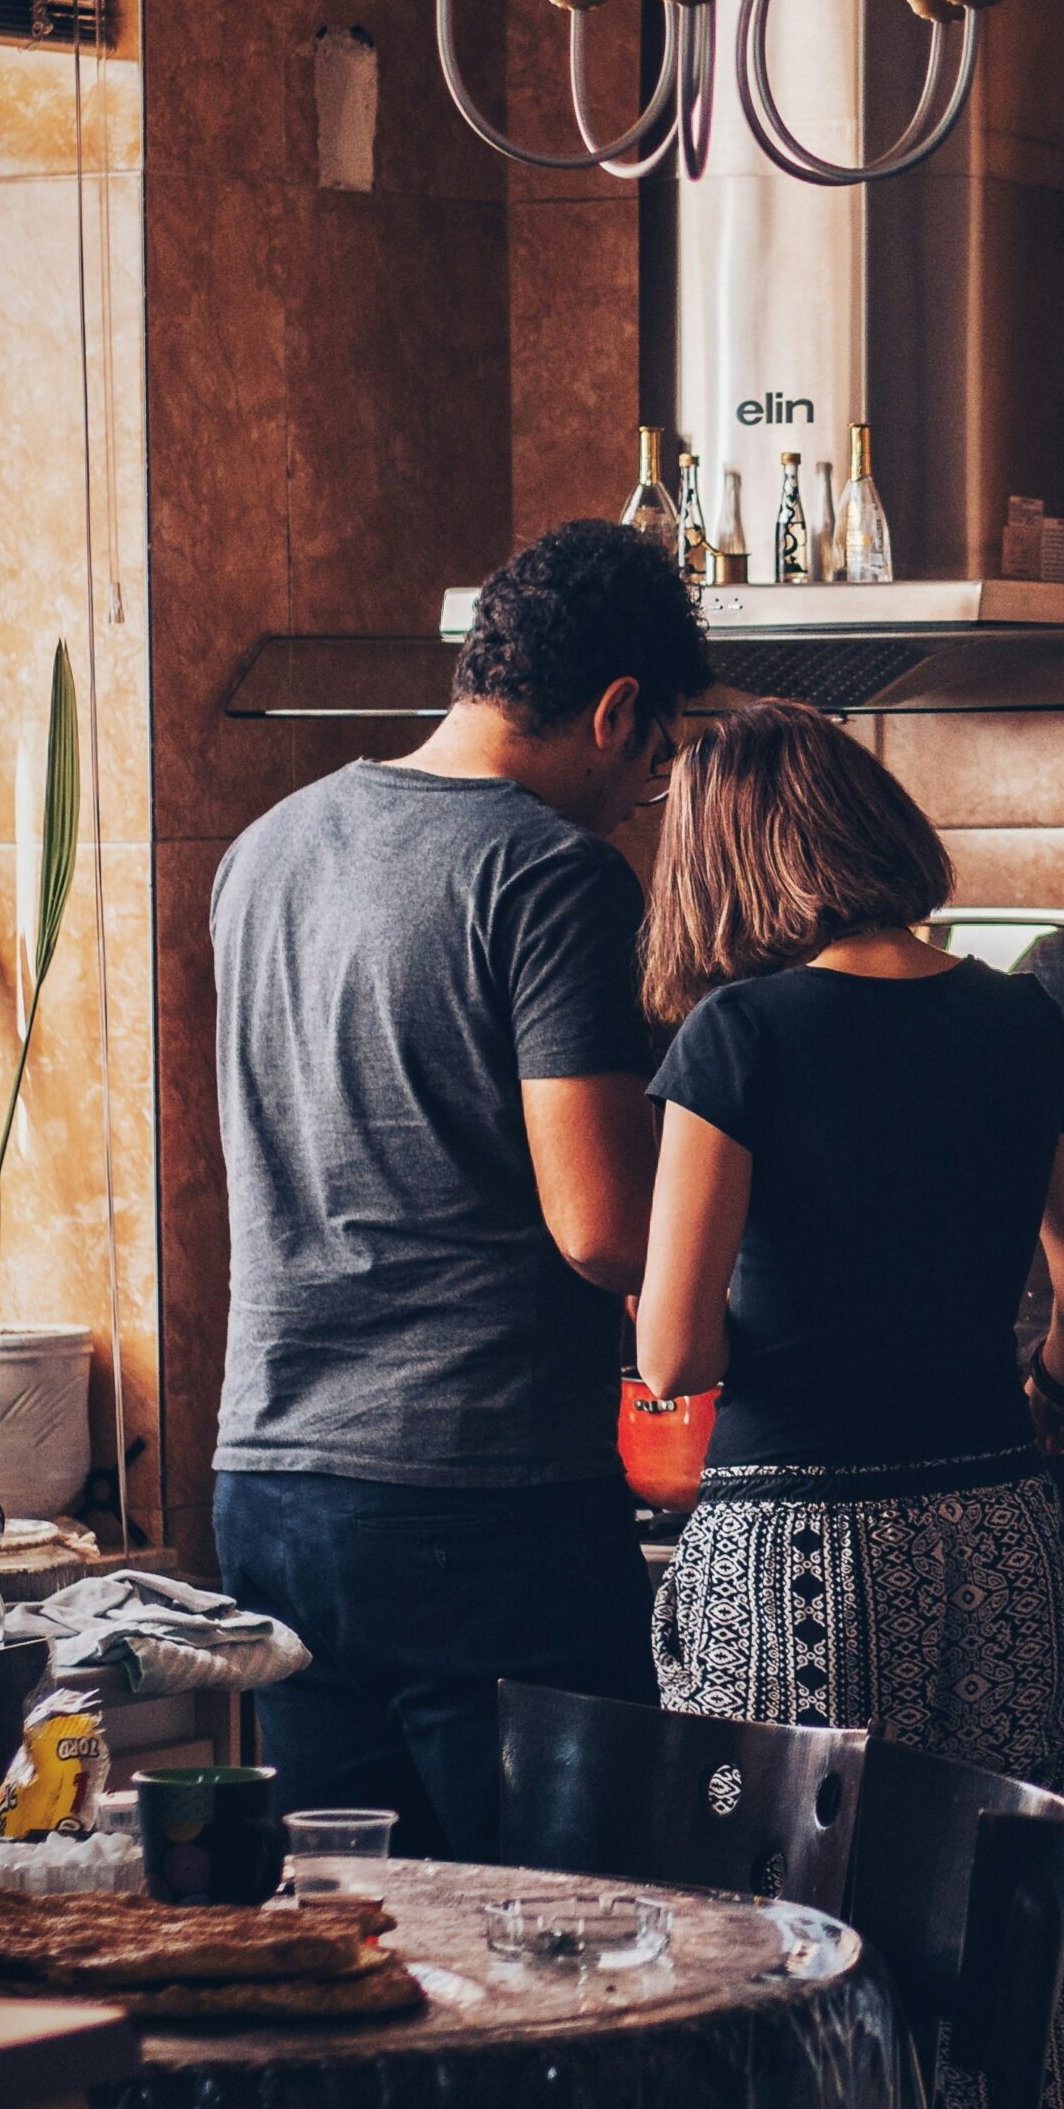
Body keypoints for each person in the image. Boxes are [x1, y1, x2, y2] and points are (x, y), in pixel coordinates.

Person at [636, 702, 1064, 2106]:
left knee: (785, 1947)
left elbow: (674, 1354)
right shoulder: (1020, 1015)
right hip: (993, 1535)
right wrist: (1047, 1396)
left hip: (796, 1553)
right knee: (995, 1942)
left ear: (727, 863)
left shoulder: (739, 1038)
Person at [210, 519, 712, 1861]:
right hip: (474, 1502)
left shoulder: (263, 852)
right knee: (581, 1952)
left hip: (269, 1485)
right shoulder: (553, 877)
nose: (643, 794)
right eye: (659, 758)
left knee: (370, 1947)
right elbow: (603, 1229)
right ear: (617, 713)